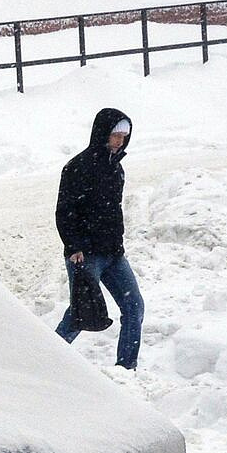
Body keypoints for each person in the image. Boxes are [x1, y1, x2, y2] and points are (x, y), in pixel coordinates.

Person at [54, 107, 144, 369]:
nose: (120, 141)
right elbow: (65, 211)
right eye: (116, 135)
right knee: (81, 312)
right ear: (102, 133)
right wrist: (74, 246)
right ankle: (46, 357)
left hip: (113, 254)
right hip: (85, 255)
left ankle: (126, 368)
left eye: (124, 136)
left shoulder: (116, 169)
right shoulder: (78, 167)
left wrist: (117, 243)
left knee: (134, 307)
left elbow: (113, 210)